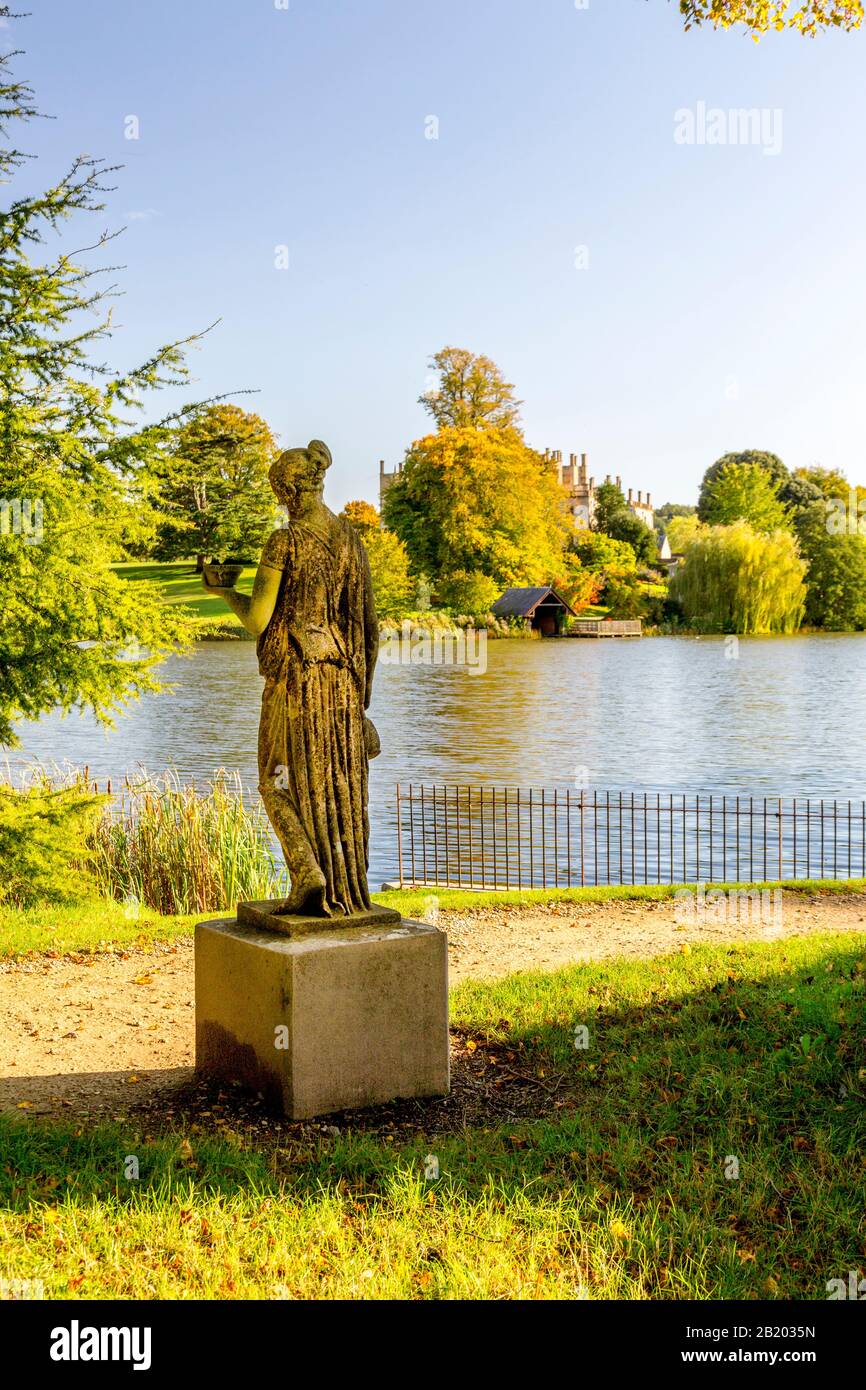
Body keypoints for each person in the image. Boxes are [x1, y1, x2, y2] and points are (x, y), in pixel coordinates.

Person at [203, 439, 379, 917]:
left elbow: (260, 618)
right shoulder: (351, 540)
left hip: (295, 680)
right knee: (335, 781)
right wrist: (362, 703)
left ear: (285, 490)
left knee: (274, 781)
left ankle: (308, 874)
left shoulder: (285, 541)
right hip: (341, 685)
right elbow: (367, 629)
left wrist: (225, 592)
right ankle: (346, 888)